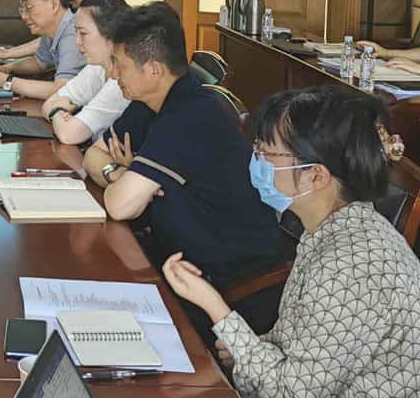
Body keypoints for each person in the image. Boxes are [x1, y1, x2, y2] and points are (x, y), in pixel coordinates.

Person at [163, 85, 420, 397]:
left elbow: (289, 392)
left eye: (267, 153)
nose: (256, 160)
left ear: (316, 176)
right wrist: (248, 347)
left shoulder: (351, 266)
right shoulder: (331, 228)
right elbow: (306, 347)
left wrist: (214, 306)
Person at [82, 2, 282, 286]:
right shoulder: (148, 101)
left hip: (227, 276)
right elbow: (93, 154)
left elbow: (120, 206)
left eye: (120, 65)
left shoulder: (189, 115)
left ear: (153, 69)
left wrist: (125, 183)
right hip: (177, 254)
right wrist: (119, 173)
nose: (113, 74)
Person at [40, 0, 131, 146]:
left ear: (111, 35)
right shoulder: (97, 67)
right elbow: (49, 103)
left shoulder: (123, 82)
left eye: (83, 33)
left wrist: (56, 111)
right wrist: (59, 111)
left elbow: (69, 135)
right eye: (76, 32)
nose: (77, 41)